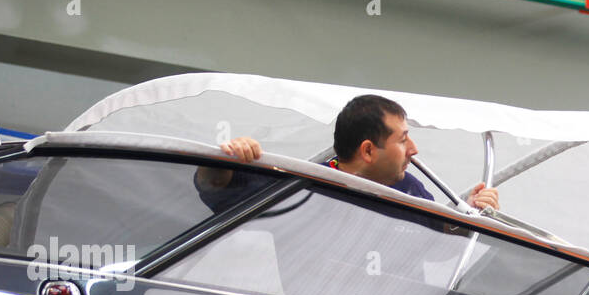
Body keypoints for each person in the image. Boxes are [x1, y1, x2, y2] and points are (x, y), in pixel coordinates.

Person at [197, 94, 498, 210]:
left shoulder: (409, 189)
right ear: (368, 150)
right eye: (404, 139)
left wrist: (468, 211)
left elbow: (438, 241)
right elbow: (216, 188)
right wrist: (228, 157)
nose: (414, 150)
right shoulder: (305, 185)